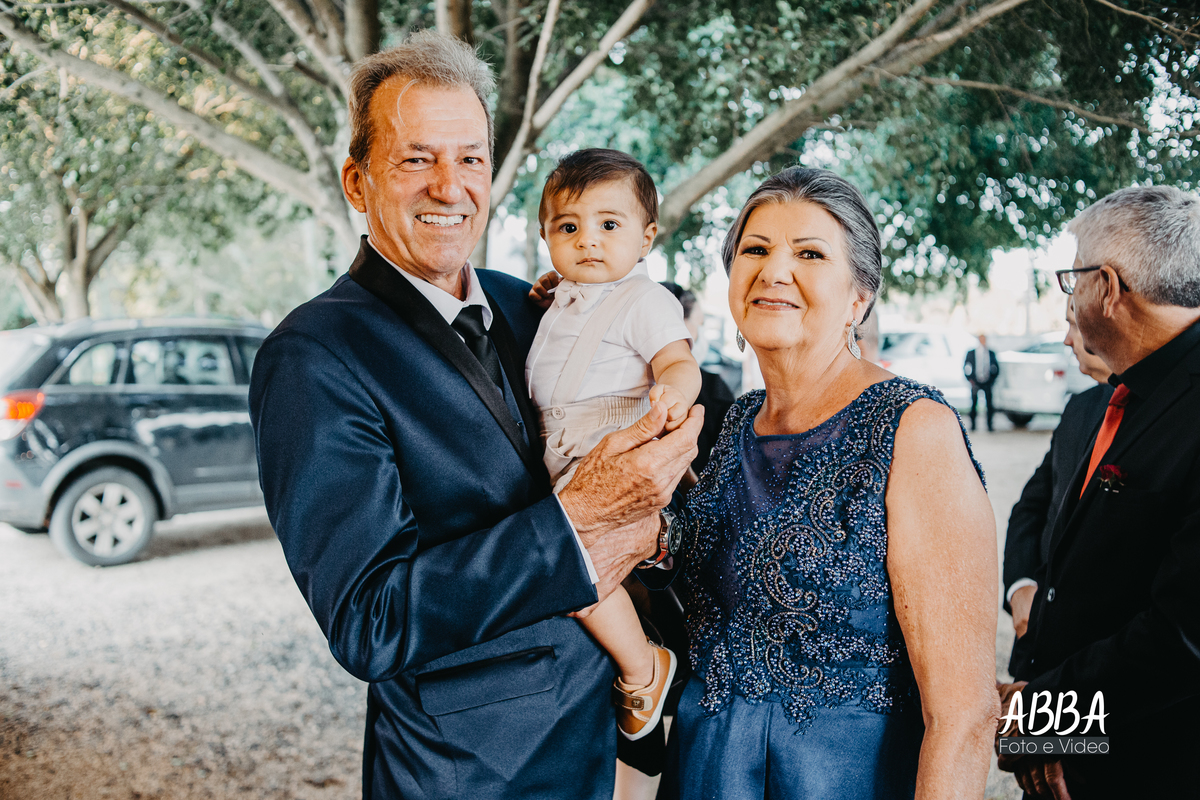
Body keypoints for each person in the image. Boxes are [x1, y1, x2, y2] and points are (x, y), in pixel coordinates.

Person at [247, 32, 702, 800]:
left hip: (593, 742)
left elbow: (643, 420)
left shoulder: (534, 304)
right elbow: (369, 620)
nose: (449, 186)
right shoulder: (313, 355)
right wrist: (575, 525)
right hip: (462, 771)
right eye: (416, 158)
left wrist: (661, 529)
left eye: (471, 159)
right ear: (357, 181)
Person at [659, 167, 1000, 799]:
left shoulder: (911, 428)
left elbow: (964, 718)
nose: (774, 271)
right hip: (705, 773)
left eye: (810, 254)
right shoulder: (737, 423)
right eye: (755, 250)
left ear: (858, 297)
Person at [998, 185, 1200, 798]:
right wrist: (1046, 739)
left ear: (1107, 287)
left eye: (1073, 277)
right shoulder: (1129, 393)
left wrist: (1039, 718)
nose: (1069, 295)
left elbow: (1183, 636)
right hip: (1081, 748)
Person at [525, 148, 701, 740]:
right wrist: (553, 290)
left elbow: (677, 359)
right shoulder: (564, 296)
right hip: (559, 452)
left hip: (608, 452)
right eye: (567, 227)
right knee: (558, 567)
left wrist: (673, 392)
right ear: (546, 236)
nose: (588, 241)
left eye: (608, 224)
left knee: (577, 575)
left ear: (646, 238)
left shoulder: (645, 300)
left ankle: (644, 668)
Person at [1003, 299, 1112, 676]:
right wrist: (1020, 587)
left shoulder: (1167, 415)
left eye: (1075, 325)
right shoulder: (1079, 408)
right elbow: (1031, 508)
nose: (1067, 340)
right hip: (1035, 653)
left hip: (1101, 669)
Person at [660, 281, 737, 474]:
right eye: (699, 324)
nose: (701, 334)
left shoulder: (715, 390)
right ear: (678, 323)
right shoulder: (713, 389)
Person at [963, 332, 1000, 431]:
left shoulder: (991, 353)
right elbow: (966, 366)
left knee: (989, 405)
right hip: (976, 381)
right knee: (974, 404)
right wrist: (970, 379)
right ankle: (973, 425)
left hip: (987, 382)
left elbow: (996, 368)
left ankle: (989, 425)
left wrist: (992, 380)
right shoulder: (971, 353)